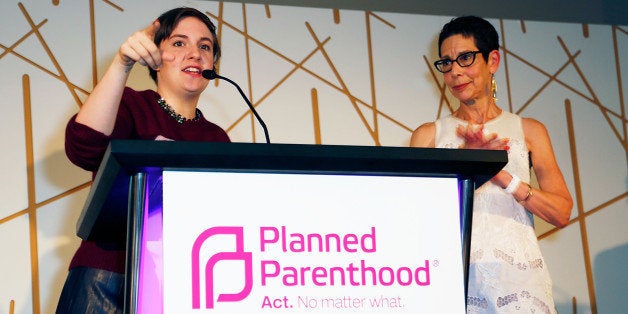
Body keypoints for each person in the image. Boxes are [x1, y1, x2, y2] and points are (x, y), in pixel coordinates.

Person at [56, 7, 229, 313]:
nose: (195, 53)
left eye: (205, 46)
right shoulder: (132, 105)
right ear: (154, 56)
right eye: (179, 43)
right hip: (108, 278)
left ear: (213, 63)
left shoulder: (217, 138)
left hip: (181, 285)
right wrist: (122, 64)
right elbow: (82, 147)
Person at [410, 16, 573, 313]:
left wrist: (503, 176)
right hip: (455, 278)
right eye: (446, 63)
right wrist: (470, 167)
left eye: (465, 58)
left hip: (519, 282)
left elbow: (561, 212)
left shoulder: (530, 130)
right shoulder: (428, 136)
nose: (455, 72)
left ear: (493, 60)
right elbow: (417, 219)